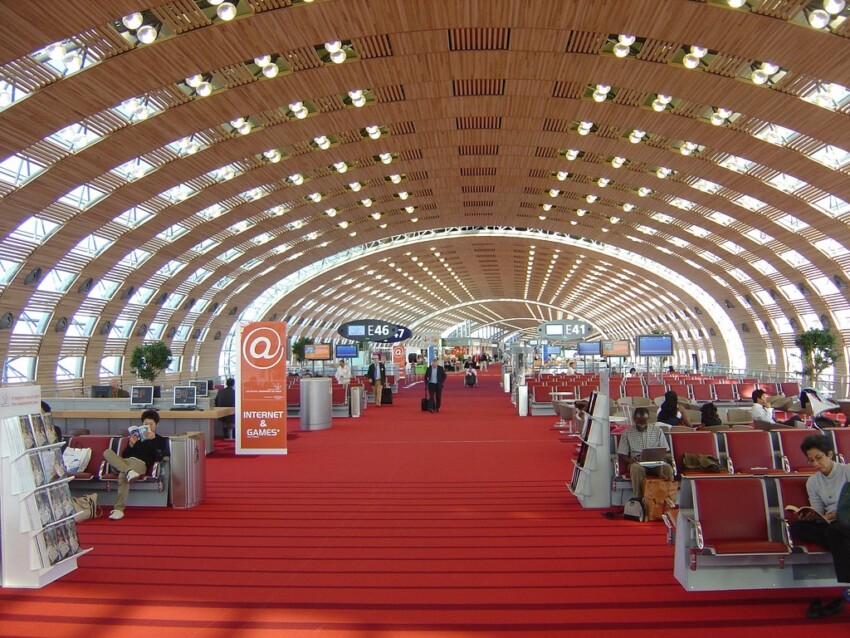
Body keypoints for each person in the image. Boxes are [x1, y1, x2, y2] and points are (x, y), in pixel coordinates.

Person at [789, 434, 850, 619]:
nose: (816, 464)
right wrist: (814, 516)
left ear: (829, 454)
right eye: (811, 460)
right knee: (798, 528)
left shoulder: (847, 471)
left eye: (819, 458)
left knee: (835, 531)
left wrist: (839, 513)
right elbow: (818, 510)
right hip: (832, 524)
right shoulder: (813, 482)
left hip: (847, 519)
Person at [103, 409, 169, 520]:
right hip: (126, 462)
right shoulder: (136, 437)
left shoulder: (160, 440)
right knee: (107, 452)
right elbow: (124, 455)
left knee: (122, 475)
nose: (148, 426)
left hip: (140, 465)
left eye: (151, 424)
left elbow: (160, 457)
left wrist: (152, 441)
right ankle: (129, 471)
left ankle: (119, 510)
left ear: (156, 425)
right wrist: (131, 444)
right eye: (145, 424)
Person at [617, 407, 675, 498]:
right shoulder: (627, 433)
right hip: (637, 462)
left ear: (648, 420)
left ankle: (666, 499)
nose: (642, 425)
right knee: (636, 469)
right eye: (639, 423)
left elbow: (665, 450)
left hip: (656, 462)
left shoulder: (657, 431)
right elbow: (622, 454)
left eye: (644, 423)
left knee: (667, 468)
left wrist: (661, 457)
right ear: (634, 419)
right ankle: (639, 498)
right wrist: (631, 460)